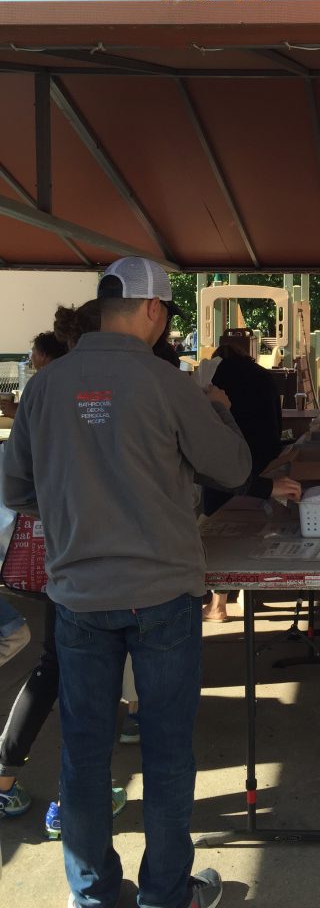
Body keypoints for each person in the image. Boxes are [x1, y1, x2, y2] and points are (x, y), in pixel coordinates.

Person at [2, 256, 258, 908]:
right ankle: (167, 896)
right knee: (167, 757)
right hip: (164, 595)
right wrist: (218, 411)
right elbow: (230, 467)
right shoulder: (167, 384)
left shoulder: (44, 386)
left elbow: (14, 489)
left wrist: (73, 506)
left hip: (78, 598)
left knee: (83, 759)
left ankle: (93, 897)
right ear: (151, 309)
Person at [0, 304, 129, 835]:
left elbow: (16, 485)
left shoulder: (44, 394)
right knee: (93, 678)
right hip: (103, 560)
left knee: (56, 666)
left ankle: (10, 780)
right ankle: (74, 799)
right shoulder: (108, 392)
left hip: (64, 557)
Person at [201, 341, 285, 622]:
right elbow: (276, 419)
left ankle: (218, 603)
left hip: (223, 463)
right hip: (262, 457)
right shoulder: (263, 376)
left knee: (220, 530)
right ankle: (253, 588)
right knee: (253, 526)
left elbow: (207, 423)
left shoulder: (214, 378)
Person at [0, 331, 68, 420]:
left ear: (42, 355)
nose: (31, 357)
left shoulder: (46, 380)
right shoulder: (65, 375)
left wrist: (15, 411)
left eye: (33, 352)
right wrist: (20, 408)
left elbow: (48, 417)